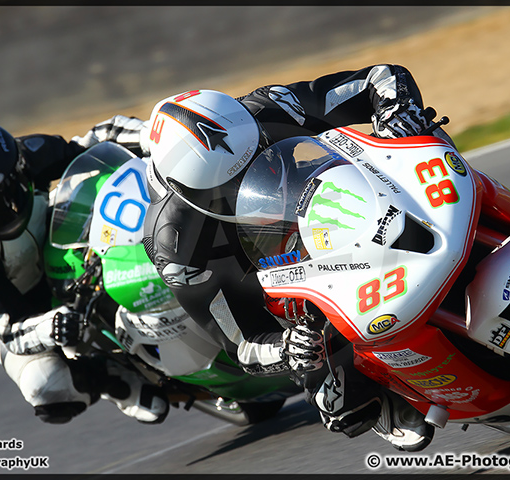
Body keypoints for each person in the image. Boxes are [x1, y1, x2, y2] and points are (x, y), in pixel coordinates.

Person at [80, 64, 447, 450]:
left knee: (423, 138)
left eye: (256, 155)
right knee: (339, 401)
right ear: (186, 191)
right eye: (228, 185)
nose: (247, 179)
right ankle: (391, 390)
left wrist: (396, 112)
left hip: (359, 192)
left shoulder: (266, 108)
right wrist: (288, 347)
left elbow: (380, 78)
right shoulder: (175, 244)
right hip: (292, 272)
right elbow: (241, 343)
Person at [0, 113, 169, 424]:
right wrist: (49, 327)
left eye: (7, 191)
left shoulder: (21, 156)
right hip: (17, 306)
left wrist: (153, 135)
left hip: (59, 244)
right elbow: (4, 326)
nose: (3, 209)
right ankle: (110, 378)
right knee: (45, 387)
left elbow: (95, 142)